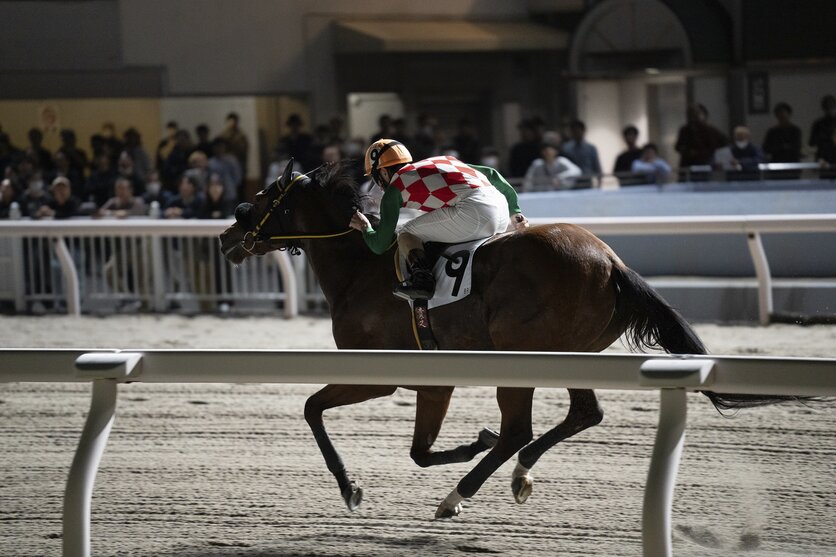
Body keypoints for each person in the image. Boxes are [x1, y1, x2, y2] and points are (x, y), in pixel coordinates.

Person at [348, 139, 529, 301]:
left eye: (376, 177)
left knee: (406, 232)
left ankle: (422, 281)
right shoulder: (439, 161)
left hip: (475, 212)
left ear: (384, 173)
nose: (378, 184)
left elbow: (380, 245)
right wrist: (516, 212)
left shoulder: (394, 189)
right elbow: (492, 174)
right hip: (501, 210)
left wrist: (365, 227)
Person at [675, 103, 728, 177]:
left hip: (704, 163)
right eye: (692, 114)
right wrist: (688, 152)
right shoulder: (685, 130)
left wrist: (708, 152)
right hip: (688, 164)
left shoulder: (710, 130)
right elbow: (678, 147)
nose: (694, 117)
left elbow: (724, 141)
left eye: (697, 113)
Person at [561, 119, 602, 187]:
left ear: (583, 131)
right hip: (571, 182)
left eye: (578, 131)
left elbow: (597, 167)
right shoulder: (566, 148)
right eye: (574, 131)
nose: (576, 133)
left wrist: (599, 183)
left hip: (587, 181)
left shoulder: (591, 148)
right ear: (571, 132)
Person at [809, 94, 836, 161]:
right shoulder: (818, 124)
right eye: (827, 106)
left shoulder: (818, 123)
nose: (829, 108)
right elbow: (812, 142)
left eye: (831, 105)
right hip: (823, 158)